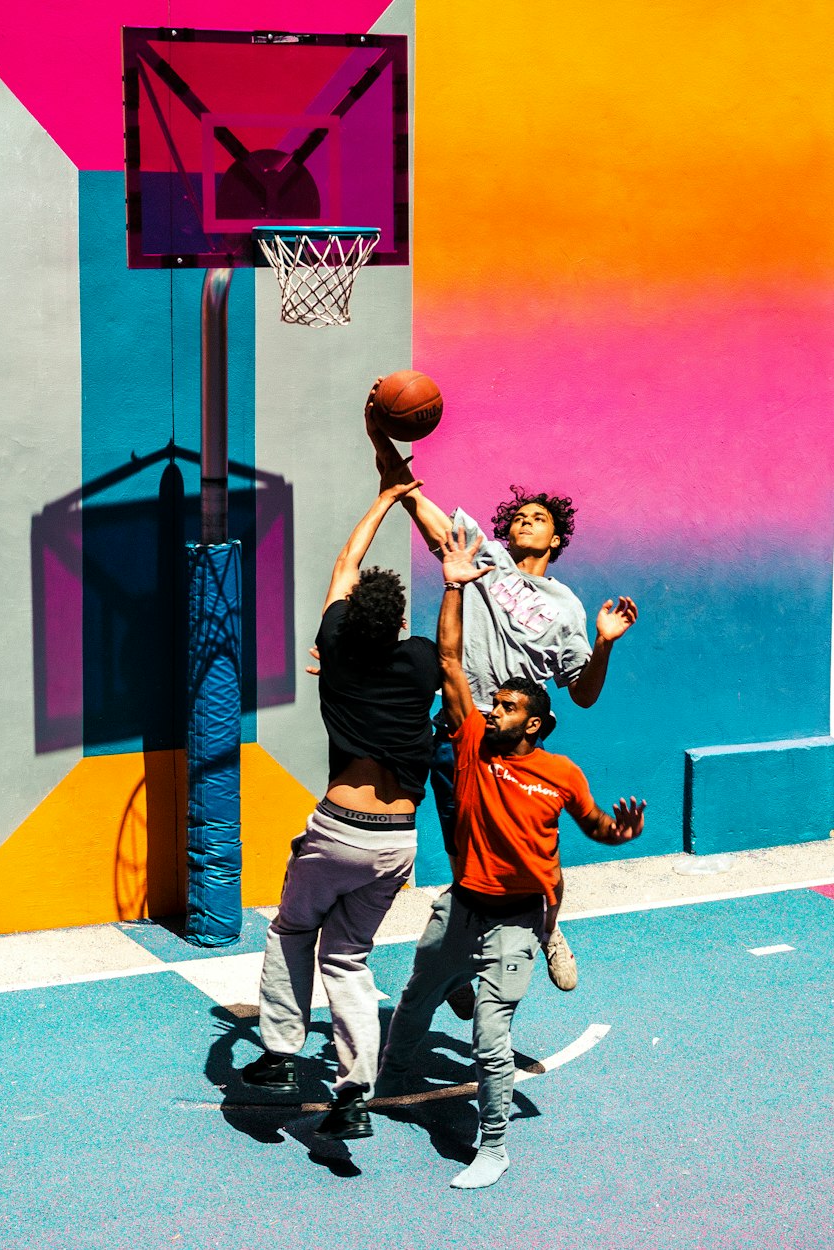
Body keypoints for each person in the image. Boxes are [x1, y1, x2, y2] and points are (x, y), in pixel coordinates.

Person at [375, 528, 645, 1188]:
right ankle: (391, 1079)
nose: (494, 708)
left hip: (518, 919)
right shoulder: (469, 742)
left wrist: (622, 834)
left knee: (490, 1037)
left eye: (508, 705)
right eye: (494, 702)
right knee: (416, 997)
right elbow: (446, 659)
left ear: (535, 723)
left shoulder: (561, 772)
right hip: (462, 906)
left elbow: (597, 830)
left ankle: (491, 1145)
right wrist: (453, 583)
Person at [365, 394, 638, 995]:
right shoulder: (478, 556)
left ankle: (549, 928)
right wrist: (380, 434)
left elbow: (583, 695)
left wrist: (604, 641)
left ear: (557, 538)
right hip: (461, 730)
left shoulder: (565, 607)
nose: (523, 521)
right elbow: (407, 492)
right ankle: (460, 962)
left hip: (517, 745)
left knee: (534, 853)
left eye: (538, 518)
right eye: (518, 515)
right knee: (469, 863)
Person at [241, 472, 440, 1142]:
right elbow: (448, 627)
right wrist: (459, 578)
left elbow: (344, 566)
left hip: (339, 831)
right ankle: (354, 1094)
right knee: (349, 958)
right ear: (401, 623)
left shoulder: (334, 648)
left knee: (293, 931)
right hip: (399, 841)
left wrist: (384, 498)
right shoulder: (421, 663)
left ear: (349, 622)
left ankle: (279, 1054)